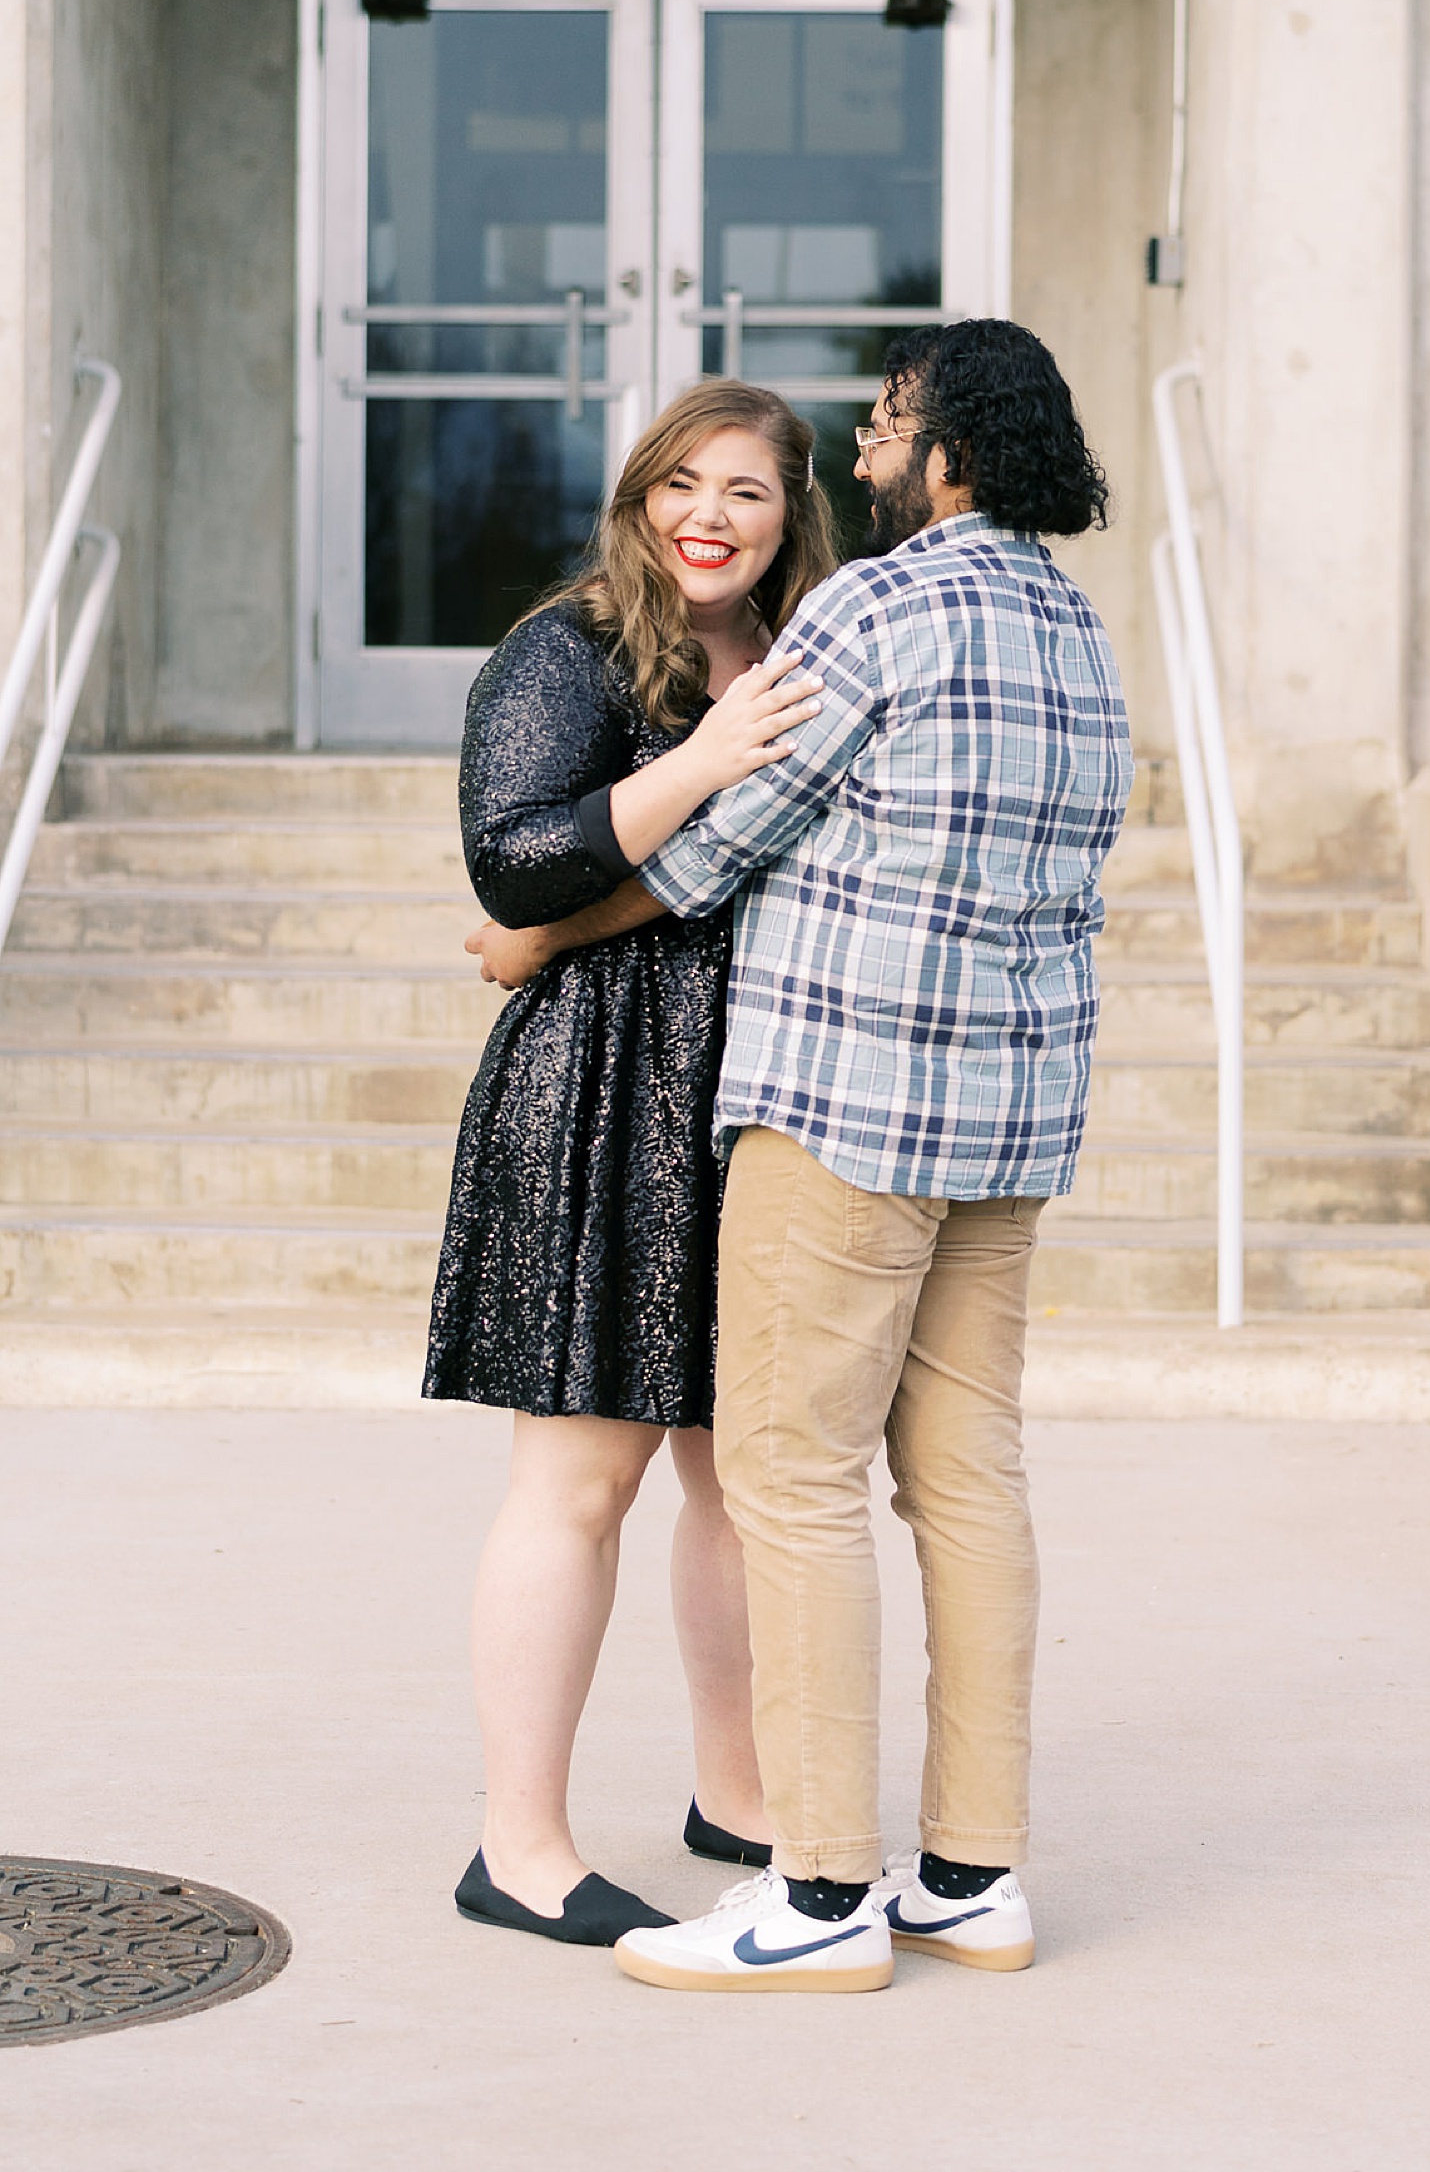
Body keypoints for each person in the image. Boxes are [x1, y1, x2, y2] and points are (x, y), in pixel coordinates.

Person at [604, 320, 1134, 1994]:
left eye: (888, 426)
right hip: (1010, 1121)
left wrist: (538, 934)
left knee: (790, 1476)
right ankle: (972, 1875)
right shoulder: (1079, 629)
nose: (867, 452)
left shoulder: (875, 608)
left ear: (952, 445)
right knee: (968, 1479)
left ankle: (819, 1891)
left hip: (845, 1105)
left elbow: (716, 842)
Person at [424, 379, 833, 1948]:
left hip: (760, 1089)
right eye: (682, 485)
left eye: (746, 491)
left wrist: (531, 939)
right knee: (580, 1478)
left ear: (793, 514)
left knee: (741, 1480)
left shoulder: (804, 654)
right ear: (641, 500)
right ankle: (517, 1844)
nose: (708, 518)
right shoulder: (571, 647)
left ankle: (738, 1793)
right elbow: (513, 858)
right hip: (598, 1089)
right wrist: (709, 756)